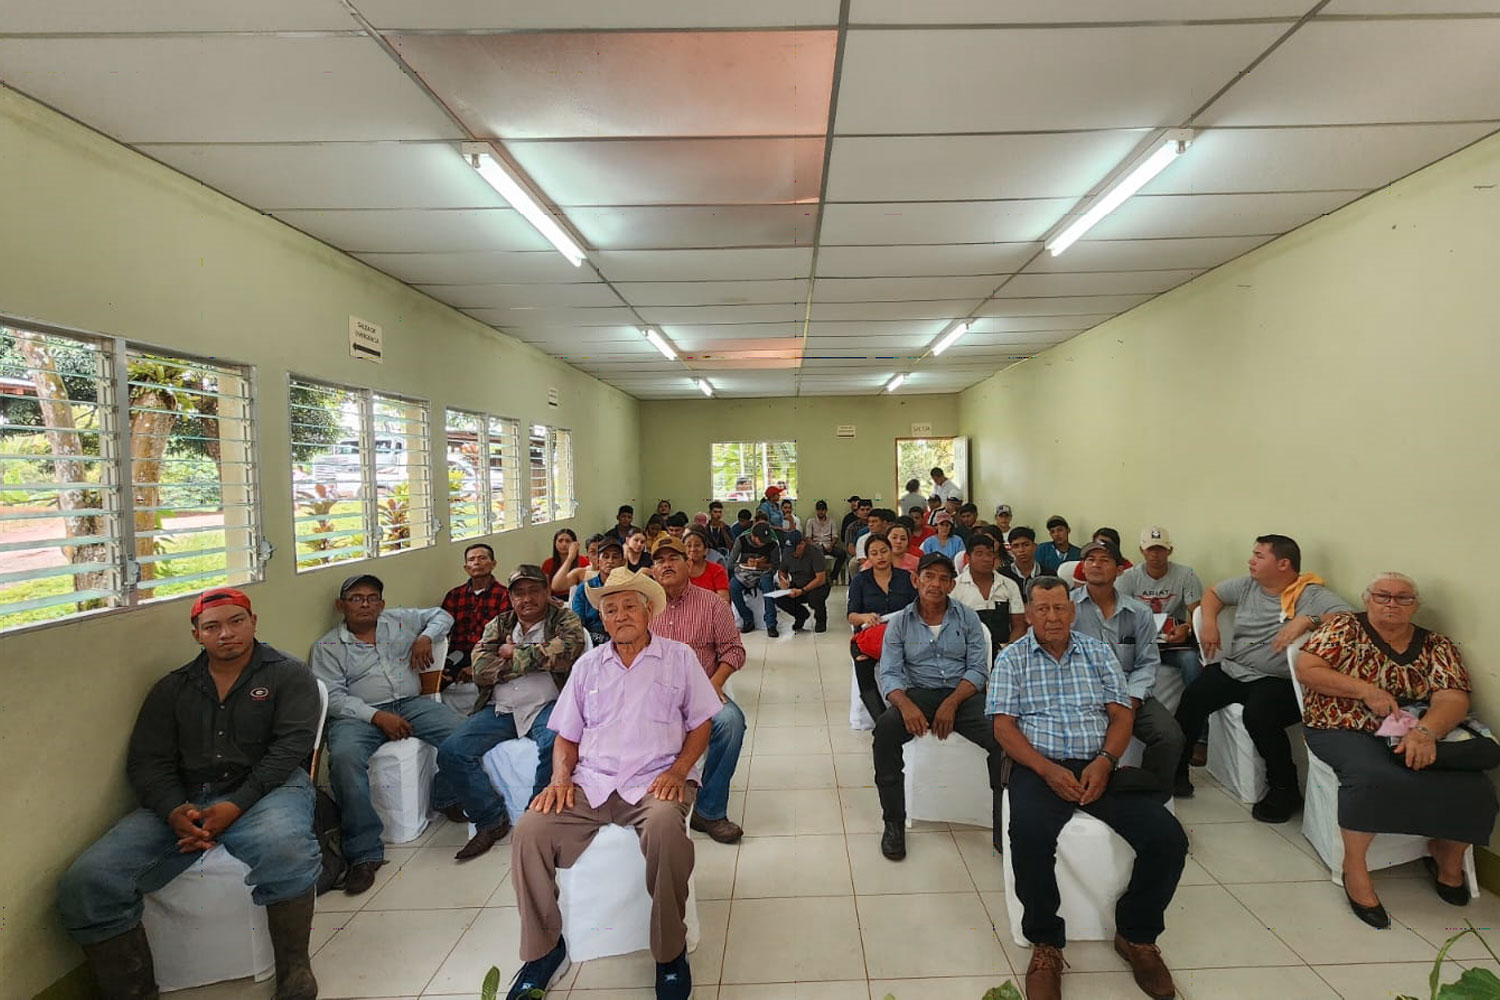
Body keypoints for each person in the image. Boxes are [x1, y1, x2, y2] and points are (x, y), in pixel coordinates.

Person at [57, 589, 322, 1000]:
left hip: (270, 789)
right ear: (196, 634)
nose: (226, 634)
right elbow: (147, 761)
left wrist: (234, 806)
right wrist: (172, 810)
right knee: (89, 881)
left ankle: (295, 972)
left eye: (236, 621)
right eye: (212, 626)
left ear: (253, 622)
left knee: (285, 850)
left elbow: (290, 750)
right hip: (186, 798)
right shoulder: (172, 689)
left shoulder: (288, 674)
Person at [506, 570, 720, 1000]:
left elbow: (702, 724)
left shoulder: (679, 658)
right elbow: (566, 733)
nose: (620, 616)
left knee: (664, 829)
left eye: (628, 606)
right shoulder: (588, 666)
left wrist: (679, 771)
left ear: (648, 612)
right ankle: (545, 950)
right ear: (601, 619)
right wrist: (560, 778)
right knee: (530, 830)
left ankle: (669, 952)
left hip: (655, 780)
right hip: (593, 781)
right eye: (610, 609)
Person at [990, 577, 1188, 1000]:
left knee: (1168, 837)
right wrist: (1045, 769)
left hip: (1099, 764)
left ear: (1073, 610)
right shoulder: (1012, 659)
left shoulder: (1098, 653)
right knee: (1027, 834)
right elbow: (1003, 727)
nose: (1052, 617)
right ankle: (1046, 943)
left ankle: (1137, 933)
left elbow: (1121, 716)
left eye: (1060, 607)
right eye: (1041, 609)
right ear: (1029, 614)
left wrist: (1106, 761)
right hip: (1038, 766)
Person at [1297, 572, 1499, 928]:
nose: (1392, 603)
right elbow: (1308, 669)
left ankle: (1447, 856)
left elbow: (1453, 695)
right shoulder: (1344, 628)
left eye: (1403, 598)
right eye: (1382, 596)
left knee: (1476, 785)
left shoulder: (1437, 644)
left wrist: (1425, 731)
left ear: (1415, 606)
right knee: (1372, 776)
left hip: (1412, 729)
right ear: (1368, 599)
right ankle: (1354, 868)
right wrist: (1365, 691)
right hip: (1341, 724)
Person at [1174, 534, 1352, 820]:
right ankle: (1176, 772)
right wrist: (1208, 622)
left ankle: (1285, 788)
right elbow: (1213, 594)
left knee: (1259, 716)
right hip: (1236, 669)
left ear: (1283, 564)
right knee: (1193, 697)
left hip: (1278, 679)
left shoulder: (1310, 594)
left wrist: (1307, 620)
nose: (1250, 560)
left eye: (1259, 556)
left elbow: (1352, 619)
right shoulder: (1247, 585)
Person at [309, 575, 463, 894]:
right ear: (342, 605)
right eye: (355, 598)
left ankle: (445, 795)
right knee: (345, 760)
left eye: (372, 597)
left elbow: (442, 615)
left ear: (381, 603)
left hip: (410, 703)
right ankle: (364, 854)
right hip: (358, 715)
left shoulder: (399, 621)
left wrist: (425, 638)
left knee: (462, 735)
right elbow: (333, 698)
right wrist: (378, 717)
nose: (365, 603)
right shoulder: (327, 647)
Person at [438, 566, 587, 862]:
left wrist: (511, 653)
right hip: (501, 708)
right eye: (519, 593)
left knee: (554, 745)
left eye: (534, 591)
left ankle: (539, 820)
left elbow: (567, 651)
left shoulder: (564, 618)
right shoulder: (499, 624)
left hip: (548, 703)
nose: (527, 598)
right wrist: (536, 656)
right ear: (510, 597)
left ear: (546, 592)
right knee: (452, 751)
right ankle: (491, 819)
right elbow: (480, 670)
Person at [873, 553, 1002, 861]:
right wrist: (905, 706)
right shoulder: (900, 623)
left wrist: (952, 703)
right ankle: (893, 823)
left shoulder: (968, 617)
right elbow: (890, 673)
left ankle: (1002, 823)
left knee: (1004, 736)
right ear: (916, 580)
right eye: (928, 576)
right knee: (885, 732)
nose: (935, 584)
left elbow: (978, 669)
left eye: (943, 578)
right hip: (918, 693)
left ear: (952, 584)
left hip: (964, 694)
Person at [650, 537, 749, 844]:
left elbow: (734, 650)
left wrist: (714, 684)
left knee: (731, 723)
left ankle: (710, 810)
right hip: (652, 695)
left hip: (700, 691)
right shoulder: (644, 607)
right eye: (659, 561)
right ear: (652, 570)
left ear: (689, 564)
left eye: (673, 558)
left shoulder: (712, 604)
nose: (666, 565)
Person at [1071, 541, 1186, 795]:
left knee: (1169, 737)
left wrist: (1132, 699)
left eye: (1104, 560)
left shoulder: (1138, 612)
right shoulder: (1067, 608)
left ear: (1120, 569)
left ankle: (1149, 797)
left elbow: (1147, 661)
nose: (1096, 565)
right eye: (1090, 560)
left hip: (1127, 693)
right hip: (1081, 693)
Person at [1120, 526, 1207, 763]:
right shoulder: (1129, 578)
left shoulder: (1186, 575)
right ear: (1141, 551)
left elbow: (1196, 612)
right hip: (1139, 641)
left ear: (1170, 550)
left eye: (1160, 549)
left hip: (1171, 640)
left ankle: (1199, 738)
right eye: (1150, 550)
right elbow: (1121, 614)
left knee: (1192, 662)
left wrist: (1187, 628)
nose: (1155, 555)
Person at [847, 534, 920, 721]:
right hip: (870, 636)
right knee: (862, 663)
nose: (880, 557)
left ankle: (912, 713)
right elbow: (852, 616)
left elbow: (919, 608)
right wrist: (865, 616)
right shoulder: (860, 581)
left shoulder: (906, 578)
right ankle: (881, 721)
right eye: (874, 553)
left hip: (903, 633)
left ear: (891, 552)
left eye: (883, 551)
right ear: (868, 557)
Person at [440, 542, 511, 693]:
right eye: (471, 560)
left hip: (488, 655)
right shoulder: (454, 595)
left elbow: (505, 636)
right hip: (457, 656)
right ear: (466, 568)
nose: (476, 563)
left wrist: (477, 666)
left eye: (482, 558)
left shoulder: (505, 595)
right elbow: (442, 631)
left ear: (493, 564)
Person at [951, 533, 1026, 650]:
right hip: (967, 652)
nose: (986, 559)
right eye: (979, 554)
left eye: (989, 554)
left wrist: (1008, 651)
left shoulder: (1009, 585)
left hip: (1005, 651)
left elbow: (1019, 626)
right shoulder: (954, 587)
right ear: (968, 557)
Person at [766, 530, 830, 635]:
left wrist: (802, 590)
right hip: (797, 584)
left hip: (816, 585)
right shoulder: (787, 552)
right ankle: (801, 615)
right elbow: (782, 571)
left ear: (802, 544)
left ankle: (820, 619)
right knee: (779, 598)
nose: (792, 553)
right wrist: (783, 581)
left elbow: (820, 579)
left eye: (794, 549)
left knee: (815, 598)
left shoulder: (815, 552)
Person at [570, 536, 625, 648]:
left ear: (622, 562)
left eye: (615, 557)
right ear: (598, 562)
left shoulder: (629, 587)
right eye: (605, 556)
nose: (610, 561)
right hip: (590, 642)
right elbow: (577, 622)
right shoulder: (584, 588)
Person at [728, 522, 781, 634]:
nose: (763, 543)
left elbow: (776, 565)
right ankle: (747, 618)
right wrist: (746, 564)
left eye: (765, 540)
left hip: (763, 573)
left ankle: (771, 623)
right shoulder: (741, 541)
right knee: (733, 586)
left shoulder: (772, 544)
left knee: (768, 586)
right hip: (744, 572)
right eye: (760, 540)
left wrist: (761, 565)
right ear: (753, 536)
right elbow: (730, 564)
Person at [683, 526, 730, 600]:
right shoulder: (678, 570)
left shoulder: (717, 570)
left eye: (697, 545)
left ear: (706, 550)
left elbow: (724, 601)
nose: (693, 549)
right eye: (688, 546)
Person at [804, 498, 844, 581]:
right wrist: (816, 546)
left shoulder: (831, 521)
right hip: (815, 546)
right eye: (819, 510)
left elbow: (835, 537)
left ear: (826, 510)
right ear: (816, 510)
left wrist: (831, 545)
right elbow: (808, 538)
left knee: (842, 554)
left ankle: (833, 576)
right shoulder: (811, 521)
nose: (821, 512)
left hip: (828, 545)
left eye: (823, 510)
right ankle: (816, 577)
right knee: (810, 554)